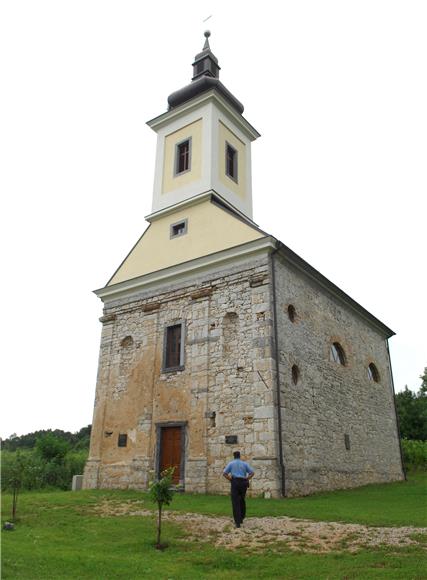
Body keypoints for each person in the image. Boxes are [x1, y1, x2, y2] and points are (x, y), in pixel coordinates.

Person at [223, 451, 254, 528]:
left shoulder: (231, 463)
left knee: (235, 501)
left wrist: (230, 479)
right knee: (242, 500)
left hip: (235, 482)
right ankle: (241, 518)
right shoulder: (244, 464)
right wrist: (247, 478)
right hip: (243, 482)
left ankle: (237, 522)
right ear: (240, 456)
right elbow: (252, 473)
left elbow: (224, 473)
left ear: (234, 456)